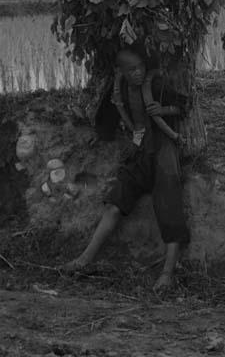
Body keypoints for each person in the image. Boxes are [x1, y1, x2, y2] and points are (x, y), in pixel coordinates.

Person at [63, 46, 190, 291]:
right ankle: (83, 260)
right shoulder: (118, 90)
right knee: (115, 203)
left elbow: (182, 106)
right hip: (140, 152)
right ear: (120, 71)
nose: (138, 73)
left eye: (140, 67)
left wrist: (162, 110)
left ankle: (167, 274)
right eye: (131, 70)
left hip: (164, 151)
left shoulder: (156, 83)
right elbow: (108, 122)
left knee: (169, 205)